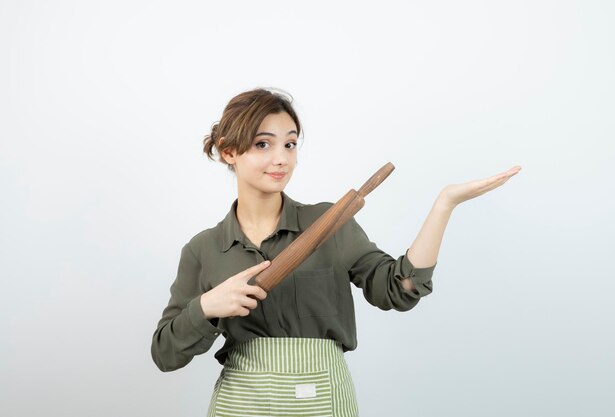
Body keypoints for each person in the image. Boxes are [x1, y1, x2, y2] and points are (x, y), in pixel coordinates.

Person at [151, 88, 521, 417]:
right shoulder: (203, 248)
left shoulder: (330, 223)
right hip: (242, 403)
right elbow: (166, 354)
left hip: (322, 399)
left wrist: (445, 205)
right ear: (229, 151)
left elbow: (400, 287)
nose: (281, 158)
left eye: (290, 144)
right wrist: (207, 307)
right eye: (263, 144)